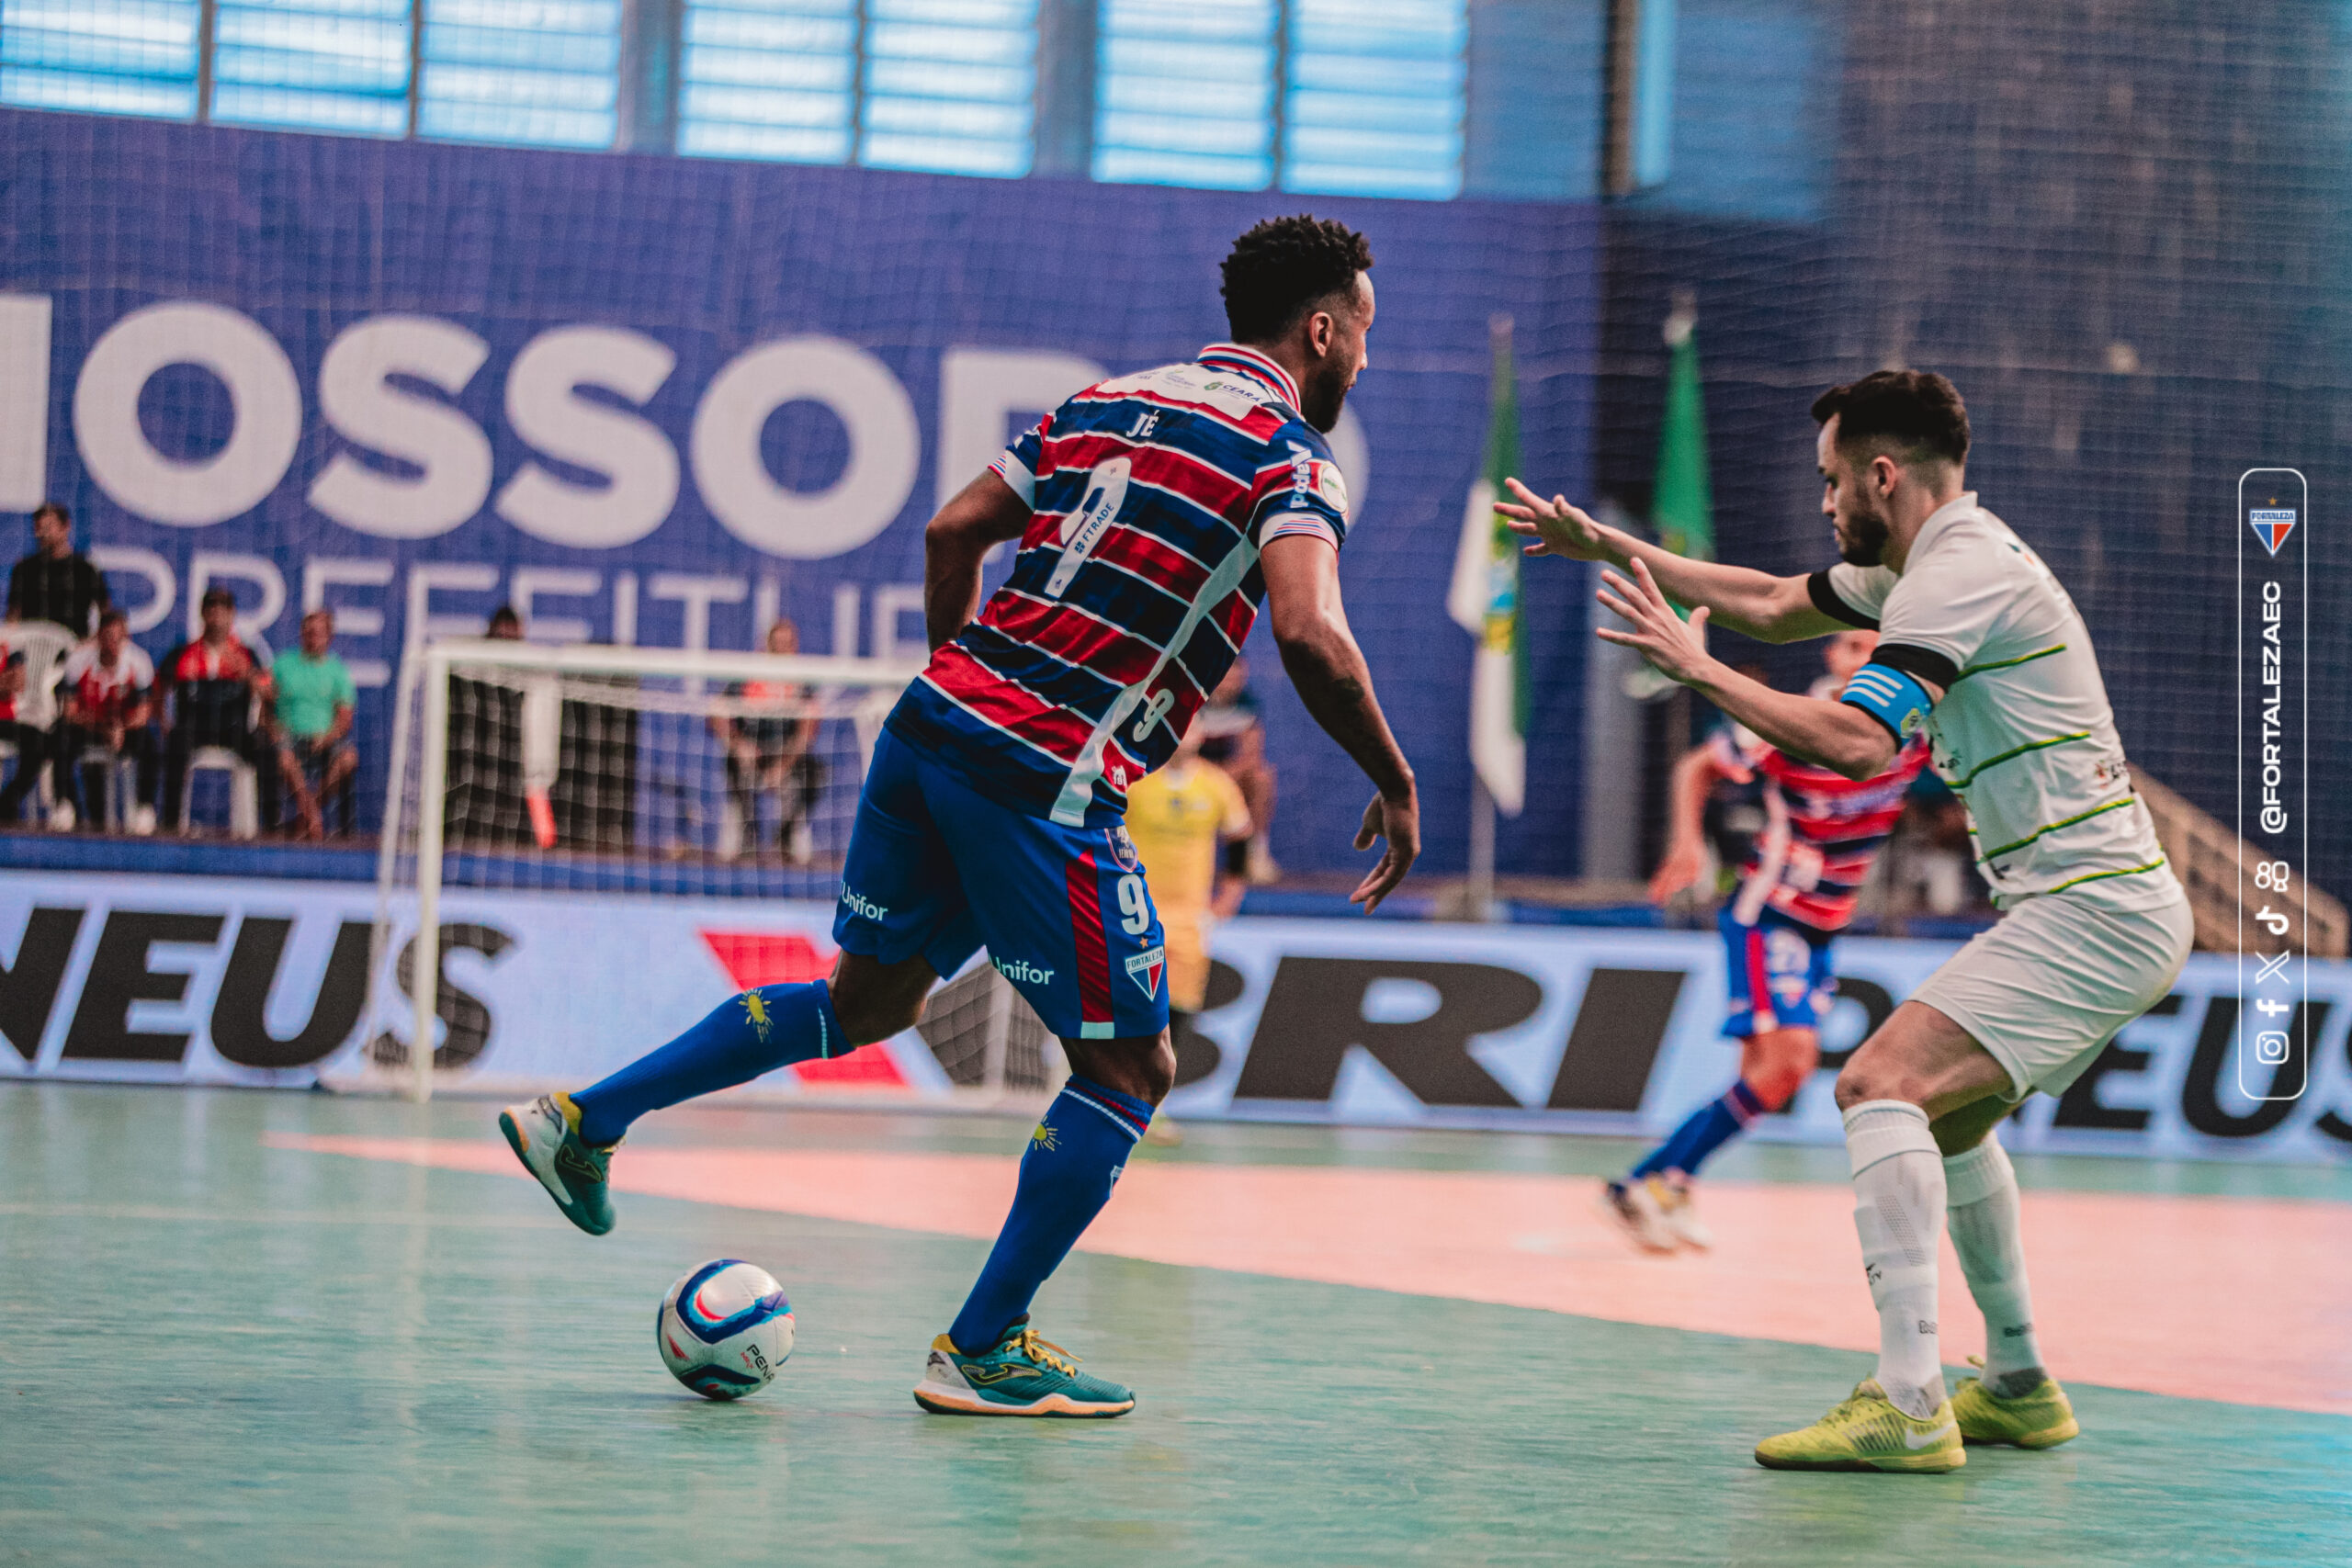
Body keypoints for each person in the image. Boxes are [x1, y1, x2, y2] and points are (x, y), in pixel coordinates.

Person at [499, 214, 1418, 1418]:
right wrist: (1394, 782)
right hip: (1046, 772)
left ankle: (584, 1117)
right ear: (1321, 328)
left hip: (934, 724)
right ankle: (984, 1343)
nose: (1364, 358)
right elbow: (1308, 630)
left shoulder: (1107, 400)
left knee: (866, 999)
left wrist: (960, 683)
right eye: (1363, 335)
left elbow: (951, 529)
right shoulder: (1290, 457)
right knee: (1133, 1061)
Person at [1503, 369, 2188, 1472]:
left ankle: (1910, 1399)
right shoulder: (1925, 567)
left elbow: (1862, 743)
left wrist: (1694, 666)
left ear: (1882, 473)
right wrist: (1612, 552)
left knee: (1876, 1086)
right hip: (2086, 905)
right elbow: (1773, 601)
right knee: (1952, 1122)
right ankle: (2015, 1382)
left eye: (1831, 481)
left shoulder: (1954, 574)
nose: (1824, 504)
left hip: (2091, 909)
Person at [1602, 628, 1928, 1251]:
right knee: (1790, 1064)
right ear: (1832, 657)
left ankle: (1651, 1183)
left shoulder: (1913, 728)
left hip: (1826, 924)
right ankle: (1654, 1183)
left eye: (1877, 646)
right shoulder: (1798, 722)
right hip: (1771, 913)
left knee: (1763, 1078)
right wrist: (1689, 842)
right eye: (1852, 646)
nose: (1865, 658)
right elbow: (1698, 764)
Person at [1122, 714, 1252, 1135]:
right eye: (1179, 726)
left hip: (1190, 921)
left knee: (1176, 1015)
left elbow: (1240, 839)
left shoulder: (1215, 785)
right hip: (1135, 917)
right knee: (1129, 1009)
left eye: (1193, 727)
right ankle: (1115, 1095)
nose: (1185, 735)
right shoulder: (1136, 782)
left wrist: (1230, 894)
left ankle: (1152, 1107)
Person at [160, 588, 277, 832]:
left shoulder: (246, 654)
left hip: (232, 728)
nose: (216, 615)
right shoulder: (184, 653)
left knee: (265, 748)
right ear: (203, 614)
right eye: (211, 609)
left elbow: (269, 692)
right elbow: (157, 688)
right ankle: (171, 825)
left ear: (232, 615)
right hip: (194, 728)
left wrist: (246, 674)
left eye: (222, 610)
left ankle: (270, 828)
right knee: (175, 742)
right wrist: (163, 720)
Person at [711, 618, 825, 863]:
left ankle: (785, 836)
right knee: (732, 765)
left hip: (787, 757)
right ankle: (747, 836)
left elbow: (808, 729)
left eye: (788, 644)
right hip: (752, 754)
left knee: (816, 773)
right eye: (777, 644)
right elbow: (716, 712)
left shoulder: (802, 681)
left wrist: (783, 766)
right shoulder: (750, 676)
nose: (783, 650)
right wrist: (738, 744)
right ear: (767, 646)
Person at [55, 609, 159, 833]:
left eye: (117, 638)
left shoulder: (139, 662)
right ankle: (64, 804)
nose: (111, 644)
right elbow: (69, 712)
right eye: (106, 637)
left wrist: (121, 728)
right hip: (90, 725)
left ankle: (144, 808)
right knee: (60, 735)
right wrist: (101, 727)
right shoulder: (78, 660)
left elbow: (143, 714)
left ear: (125, 639)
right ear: (98, 637)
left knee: (149, 742)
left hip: (125, 727)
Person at [271, 608, 358, 840]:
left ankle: (305, 818)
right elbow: (265, 711)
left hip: (324, 740)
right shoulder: (283, 665)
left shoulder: (337, 671)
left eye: (318, 633)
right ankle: (313, 818)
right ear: (301, 634)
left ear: (329, 637)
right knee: (283, 758)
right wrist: (275, 731)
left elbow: (345, 718)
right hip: (290, 738)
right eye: (308, 633)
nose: (312, 638)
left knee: (348, 758)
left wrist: (328, 737)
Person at [1193, 660, 1280, 882]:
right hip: (1194, 776)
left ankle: (1255, 853)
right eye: (1226, 678)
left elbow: (1251, 755)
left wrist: (1222, 778)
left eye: (1237, 678)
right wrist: (1208, 777)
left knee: (1262, 777)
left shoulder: (1247, 706)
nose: (1231, 684)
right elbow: (1180, 750)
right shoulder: (1194, 701)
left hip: (1229, 778)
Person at [7, 502, 110, 637]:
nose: (42, 534)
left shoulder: (85, 569)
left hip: (74, 647)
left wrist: (90, 644)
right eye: (38, 528)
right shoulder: (24, 569)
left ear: (65, 526)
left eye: (48, 527)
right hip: (31, 646)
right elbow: (13, 614)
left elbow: (106, 613)